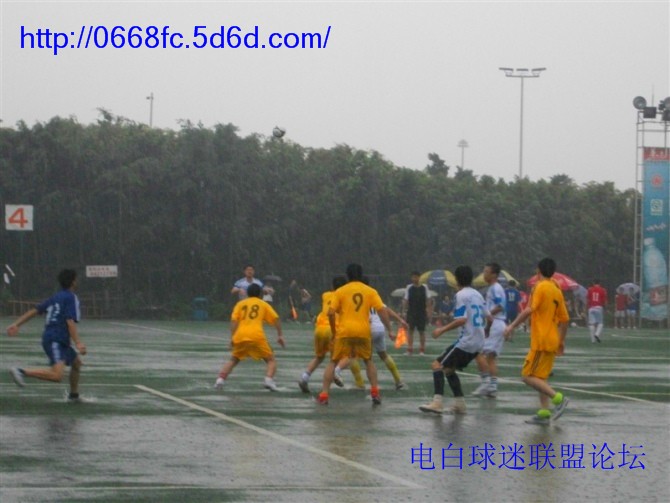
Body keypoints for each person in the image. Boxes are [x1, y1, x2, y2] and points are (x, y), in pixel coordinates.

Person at [504, 257, 570, 425]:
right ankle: (544, 413)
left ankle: (558, 399)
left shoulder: (539, 287)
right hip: (552, 339)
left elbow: (528, 310)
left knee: (527, 376)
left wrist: (511, 326)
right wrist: (561, 341)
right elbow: (565, 319)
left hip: (541, 340)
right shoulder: (556, 289)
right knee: (540, 377)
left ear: (538, 270)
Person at [6, 269, 87, 402]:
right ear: (73, 282)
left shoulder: (56, 297)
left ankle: (74, 396)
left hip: (57, 338)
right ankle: (21, 371)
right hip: (56, 339)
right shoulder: (70, 297)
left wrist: (16, 324)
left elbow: (35, 310)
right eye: (76, 279)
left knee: (76, 363)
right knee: (57, 375)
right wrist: (78, 342)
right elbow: (69, 321)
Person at [317, 263, 391, 405]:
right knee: (368, 360)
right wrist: (389, 328)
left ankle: (324, 395)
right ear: (361, 275)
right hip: (363, 332)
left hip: (344, 332)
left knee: (333, 362)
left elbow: (331, 313)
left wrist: (334, 332)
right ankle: (375, 392)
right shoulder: (370, 291)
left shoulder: (341, 291)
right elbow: (381, 310)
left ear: (347, 275)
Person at [419, 265, 485, 415]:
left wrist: (441, 330)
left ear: (456, 279)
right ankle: (459, 404)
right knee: (449, 369)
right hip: (478, 342)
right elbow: (488, 317)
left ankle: (437, 403)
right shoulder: (478, 295)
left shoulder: (461, 295)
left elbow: (461, 319)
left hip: (467, 341)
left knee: (437, 365)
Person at [297, 276, 364, 393]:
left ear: (332, 286)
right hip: (332, 330)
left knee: (319, 357)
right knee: (348, 356)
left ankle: (304, 378)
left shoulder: (325, 295)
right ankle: (336, 373)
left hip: (319, 329)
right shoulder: (345, 297)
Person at [215, 283, 285, 391]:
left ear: (247, 293)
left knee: (234, 359)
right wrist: (280, 335)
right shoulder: (263, 304)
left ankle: (220, 380)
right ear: (260, 294)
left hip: (240, 335)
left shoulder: (240, 304)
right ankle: (268, 380)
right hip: (256, 336)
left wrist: (233, 337)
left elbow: (234, 321)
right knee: (271, 360)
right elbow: (276, 318)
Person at [472, 262, 507, 398]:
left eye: (486, 272)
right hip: (497, 323)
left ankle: (485, 382)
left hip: (496, 323)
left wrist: (487, 314)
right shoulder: (493, 288)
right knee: (491, 357)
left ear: (494, 275)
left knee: (477, 352)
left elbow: (500, 306)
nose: (484, 274)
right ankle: (492, 387)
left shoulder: (495, 288)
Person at [402, 271, 433, 355]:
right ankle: (409, 349)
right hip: (411, 312)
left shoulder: (424, 287)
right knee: (410, 331)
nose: (414, 279)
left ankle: (422, 350)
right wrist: (404, 312)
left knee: (422, 331)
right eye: (413, 277)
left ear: (419, 277)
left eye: (416, 277)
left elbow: (429, 300)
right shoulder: (409, 287)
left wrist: (429, 311)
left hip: (421, 312)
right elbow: (405, 300)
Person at [587, 279, 608, 343]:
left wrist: (586, 307)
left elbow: (588, 299)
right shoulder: (603, 290)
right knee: (600, 323)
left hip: (591, 307)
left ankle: (592, 340)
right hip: (599, 307)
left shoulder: (590, 289)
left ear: (593, 282)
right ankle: (597, 334)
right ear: (600, 283)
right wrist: (606, 308)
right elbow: (605, 301)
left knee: (591, 324)